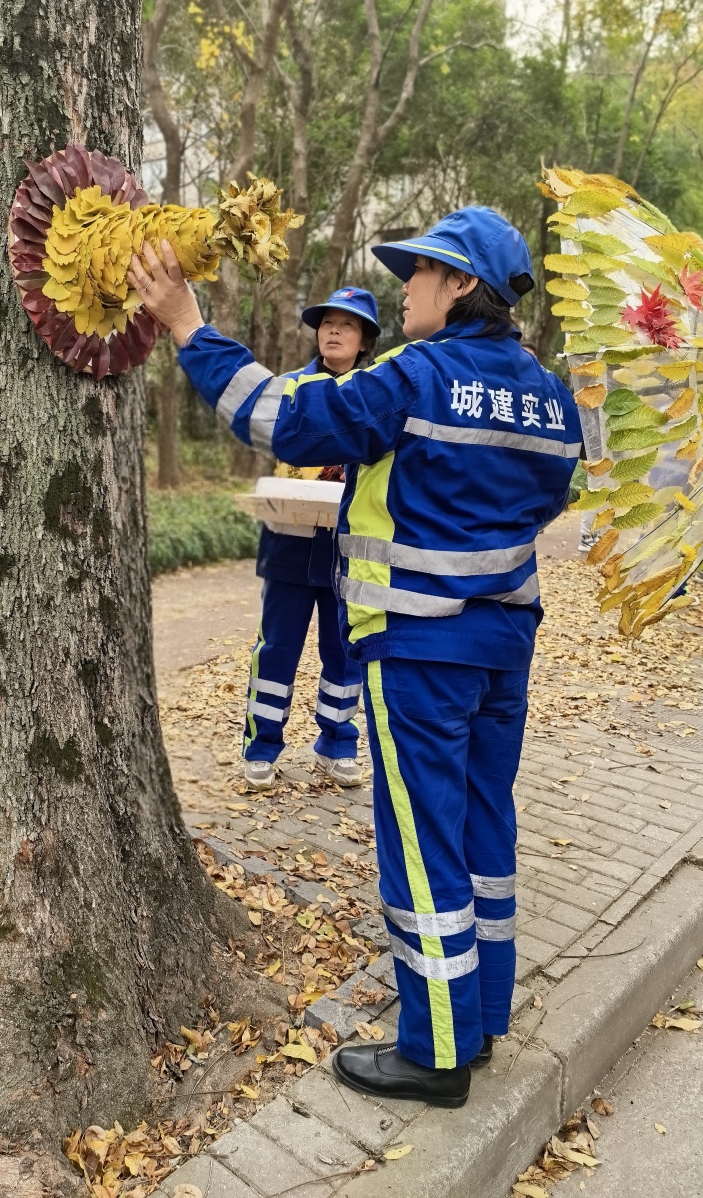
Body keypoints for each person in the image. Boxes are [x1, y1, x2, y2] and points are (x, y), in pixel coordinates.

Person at [129, 207, 581, 1108]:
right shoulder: (547, 390)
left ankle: (436, 1050)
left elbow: (287, 421)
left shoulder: (419, 372)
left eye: (421, 270)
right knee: (484, 830)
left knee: (420, 850)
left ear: (461, 288)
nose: (403, 284)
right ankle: (483, 1013)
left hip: (419, 648)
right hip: (504, 645)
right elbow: (553, 490)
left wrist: (187, 325)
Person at [243, 287, 380, 793]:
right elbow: (269, 438)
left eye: (348, 324)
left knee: (344, 652)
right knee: (277, 647)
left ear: (365, 339)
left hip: (350, 549)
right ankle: (261, 746)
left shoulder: (377, 392)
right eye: (327, 322)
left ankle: (338, 744)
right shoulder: (291, 387)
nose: (334, 330)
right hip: (290, 540)